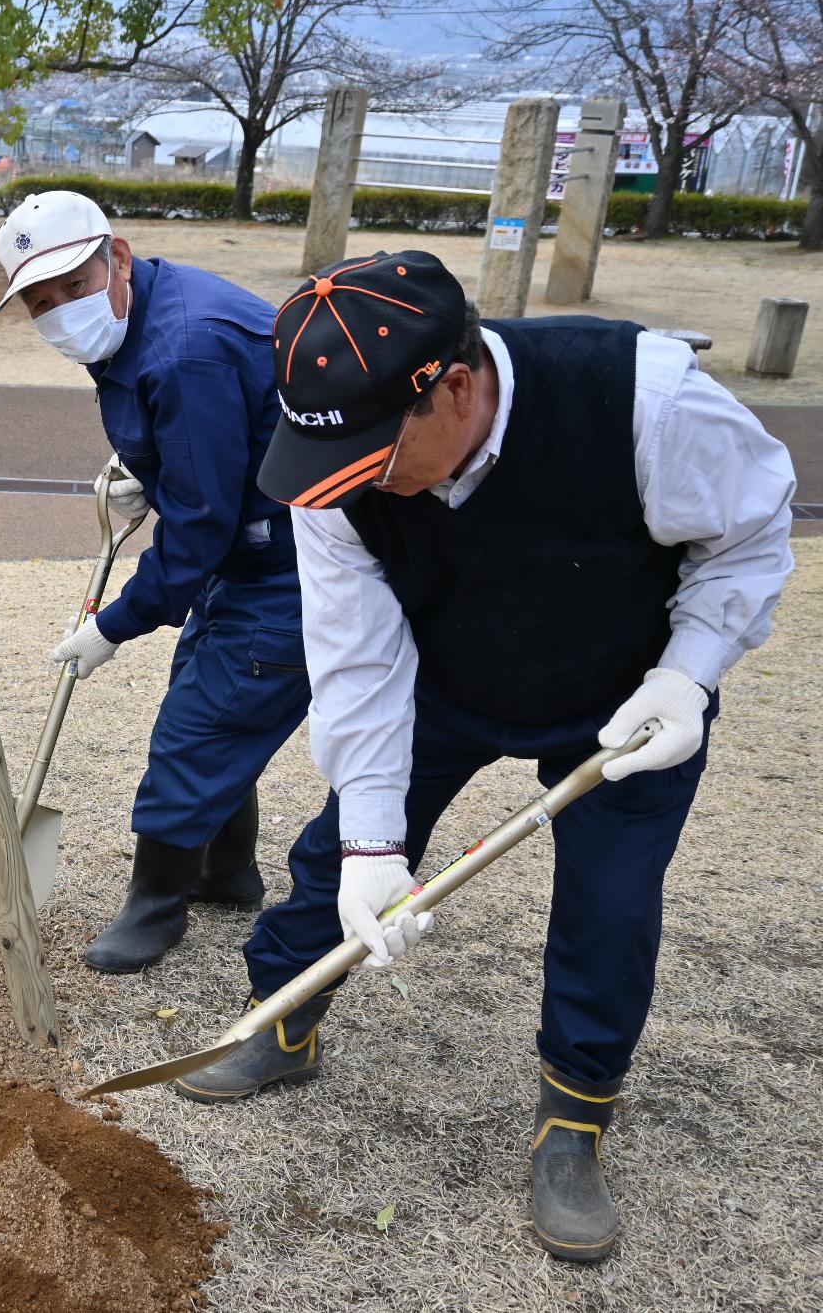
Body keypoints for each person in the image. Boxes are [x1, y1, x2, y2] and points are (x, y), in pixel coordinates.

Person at [180, 249, 794, 1263]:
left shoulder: (640, 400)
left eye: (379, 453)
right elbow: (354, 654)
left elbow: (748, 528)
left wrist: (688, 672)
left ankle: (573, 1115)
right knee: (336, 853)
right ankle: (278, 1020)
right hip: (446, 681)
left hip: (627, 691)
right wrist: (376, 840)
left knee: (608, 902)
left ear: (453, 388)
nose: (359, 483)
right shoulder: (331, 473)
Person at [0, 190, 311, 972]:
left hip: (290, 566)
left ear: (118, 256)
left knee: (199, 725)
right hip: (252, 548)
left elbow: (200, 527)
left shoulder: (182, 348)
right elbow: (203, 464)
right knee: (209, 701)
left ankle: (156, 905)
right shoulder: (145, 319)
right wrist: (148, 474)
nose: (61, 310)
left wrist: (115, 622)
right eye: (40, 301)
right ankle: (226, 871)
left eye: (73, 285)